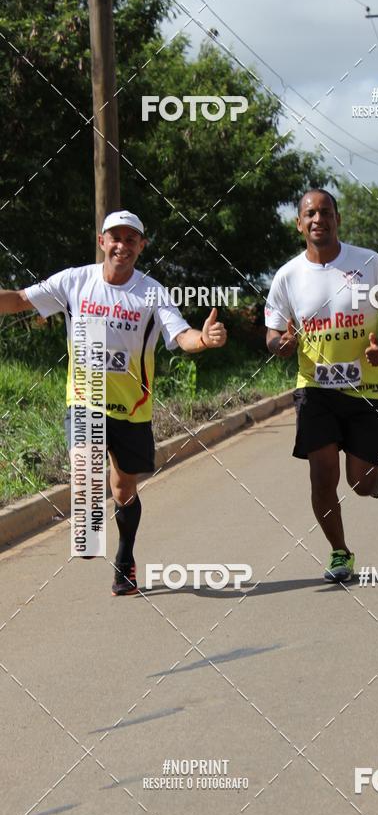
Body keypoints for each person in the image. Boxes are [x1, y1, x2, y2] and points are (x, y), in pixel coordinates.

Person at [0, 210, 227, 595]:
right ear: (102, 242)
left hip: (133, 408)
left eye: (131, 239)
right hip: (85, 398)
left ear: (142, 246)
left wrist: (205, 339)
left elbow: (182, 335)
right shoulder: (74, 281)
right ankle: (88, 519)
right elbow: (22, 299)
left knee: (124, 490)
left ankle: (124, 558)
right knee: (86, 469)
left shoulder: (152, 292)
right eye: (115, 237)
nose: (122, 245)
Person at [265, 188, 378, 583]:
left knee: (359, 481)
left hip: (366, 389)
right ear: (299, 223)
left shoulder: (368, 263)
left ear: (337, 219)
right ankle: (340, 552)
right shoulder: (288, 276)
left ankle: (374, 477)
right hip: (315, 390)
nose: (317, 219)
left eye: (325, 212)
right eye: (310, 213)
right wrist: (282, 345)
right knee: (321, 475)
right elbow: (272, 334)